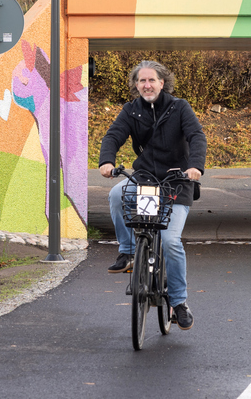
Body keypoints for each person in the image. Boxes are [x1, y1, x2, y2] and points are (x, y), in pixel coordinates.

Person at [99, 60, 206, 330]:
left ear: (162, 83)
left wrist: (194, 167)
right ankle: (129, 252)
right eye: (142, 81)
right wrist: (106, 161)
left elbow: (196, 136)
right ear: (136, 85)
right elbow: (114, 135)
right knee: (116, 194)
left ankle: (179, 302)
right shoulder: (131, 110)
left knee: (170, 241)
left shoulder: (179, 107)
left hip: (176, 183)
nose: (147, 85)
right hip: (146, 179)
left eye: (152, 80)